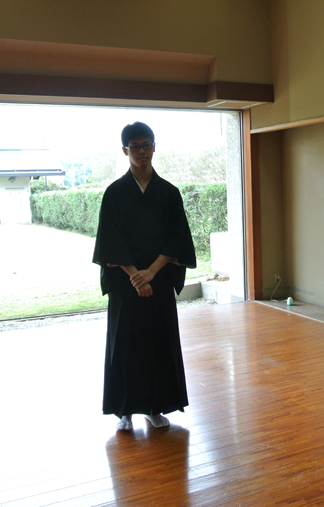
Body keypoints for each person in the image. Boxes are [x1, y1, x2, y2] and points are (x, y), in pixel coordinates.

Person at [93, 121, 196, 431]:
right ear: (125, 150)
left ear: (154, 147)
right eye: (135, 147)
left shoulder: (169, 193)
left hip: (159, 277)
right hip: (126, 281)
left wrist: (151, 272)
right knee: (125, 344)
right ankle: (124, 410)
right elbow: (111, 239)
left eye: (146, 145)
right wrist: (135, 275)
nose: (142, 152)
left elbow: (177, 237)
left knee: (160, 342)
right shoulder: (114, 193)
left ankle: (156, 407)